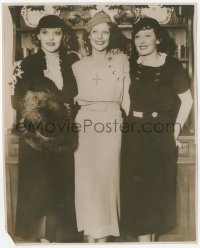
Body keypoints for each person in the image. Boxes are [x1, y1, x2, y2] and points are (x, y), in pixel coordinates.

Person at [121, 17, 193, 242]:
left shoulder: (172, 65)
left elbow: (187, 100)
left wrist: (173, 130)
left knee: (155, 198)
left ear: (158, 39)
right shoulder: (131, 65)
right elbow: (124, 100)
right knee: (139, 198)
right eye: (137, 36)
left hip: (160, 137)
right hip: (134, 138)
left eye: (147, 35)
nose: (142, 41)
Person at [10, 15, 80, 242]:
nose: (51, 38)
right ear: (37, 36)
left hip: (65, 141)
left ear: (63, 36)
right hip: (36, 140)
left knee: (62, 193)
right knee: (41, 194)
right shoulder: (25, 65)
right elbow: (17, 102)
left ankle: (60, 239)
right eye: (46, 32)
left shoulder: (73, 62)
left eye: (57, 33)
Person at [71, 11, 130, 243]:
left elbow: (126, 99)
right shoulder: (77, 66)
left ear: (111, 36)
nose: (100, 37)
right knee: (86, 181)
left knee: (107, 181)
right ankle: (89, 236)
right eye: (95, 32)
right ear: (88, 36)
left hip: (112, 122)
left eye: (105, 32)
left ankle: (103, 237)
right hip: (85, 124)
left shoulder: (122, 60)